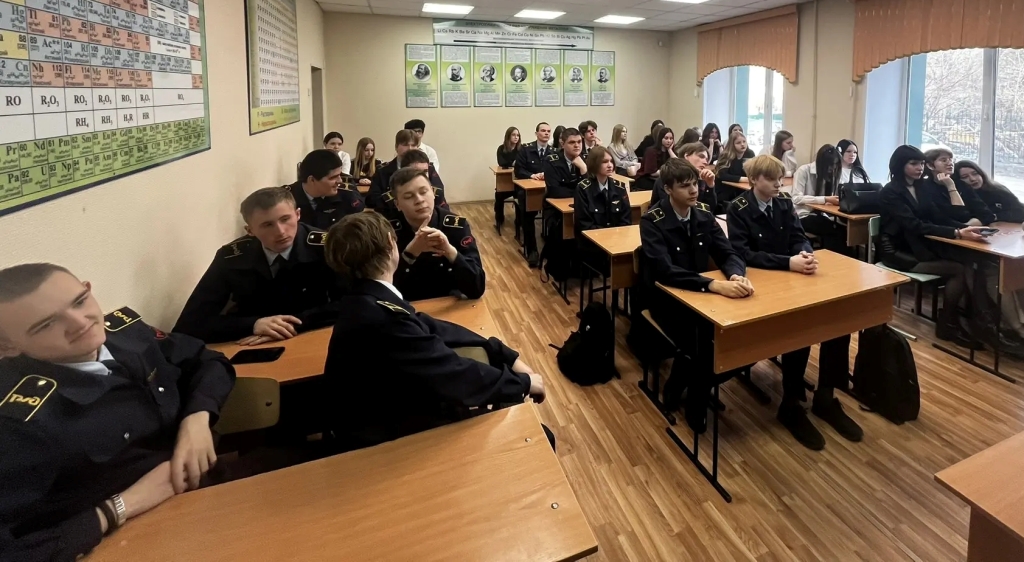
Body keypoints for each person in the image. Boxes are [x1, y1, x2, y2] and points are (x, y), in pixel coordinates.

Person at [0, 263, 235, 561]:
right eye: (46, 324)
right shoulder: (17, 421)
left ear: (87, 288)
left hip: (208, 493)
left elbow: (207, 361)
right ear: (7, 346)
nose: (80, 322)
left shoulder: (126, 334)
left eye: (79, 301)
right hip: (130, 541)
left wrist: (197, 419)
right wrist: (118, 507)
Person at [321, 212, 547, 450]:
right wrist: (522, 383)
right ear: (390, 242)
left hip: (383, 414)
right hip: (382, 439)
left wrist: (500, 352)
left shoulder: (365, 298)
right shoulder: (384, 318)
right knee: (538, 437)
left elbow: (428, 325)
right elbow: (454, 374)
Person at [726, 156, 862, 450]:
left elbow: (799, 236)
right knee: (800, 327)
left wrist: (804, 253)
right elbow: (743, 253)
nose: (779, 184)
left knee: (838, 323)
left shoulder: (784, 203)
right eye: (771, 179)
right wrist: (787, 262)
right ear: (754, 180)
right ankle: (790, 403)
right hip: (763, 282)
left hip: (793, 275)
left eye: (780, 178)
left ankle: (826, 396)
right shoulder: (738, 208)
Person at [639, 159, 753, 432]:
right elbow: (665, 271)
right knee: (702, 344)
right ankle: (693, 396)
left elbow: (727, 252)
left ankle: (689, 383)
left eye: (695, 184)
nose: (694, 190)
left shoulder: (702, 213)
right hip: (667, 299)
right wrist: (712, 285)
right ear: (668, 189)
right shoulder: (652, 220)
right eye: (684, 186)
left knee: (745, 340)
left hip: (703, 297)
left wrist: (735, 274)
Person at [173, 187, 342, 344]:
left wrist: (292, 324)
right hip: (253, 343)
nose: (281, 231)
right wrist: (252, 325)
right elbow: (190, 323)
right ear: (250, 230)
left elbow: (350, 302)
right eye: (268, 225)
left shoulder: (327, 247)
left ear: (298, 214)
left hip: (312, 335)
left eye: (285, 219)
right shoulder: (231, 257)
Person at [878, 145, 989, 347]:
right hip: (898, 251)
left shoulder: (921, 187)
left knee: (970, 261)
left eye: (921, 163)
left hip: (921, 245)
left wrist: (963, 228)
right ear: (900, 165)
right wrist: (956, 233)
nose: (919, 168)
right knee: (959, 269)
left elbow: (936, 217)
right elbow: (913, 224)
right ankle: (948, 323)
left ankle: (971, 320)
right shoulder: (890, 191)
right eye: (913, 163)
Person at [389, 167, 485, 301]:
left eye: (424, 192)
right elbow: (383, 288)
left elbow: (477, 287)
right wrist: (410, 253)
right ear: (397, 204)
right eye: (409, 197)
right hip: (407, 306)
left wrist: (450, 252)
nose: (419, 200)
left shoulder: (455, 226)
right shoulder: (388, 231)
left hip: (448, 303)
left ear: (433, 193)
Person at [791, 144, 849, 254]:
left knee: (843, 230)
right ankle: (832, 260)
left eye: (836, 165)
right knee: (834, 231)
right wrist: (825, 199)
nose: (833, 168)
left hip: (822, 215)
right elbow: (796, 198)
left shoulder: (832, 174)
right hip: (802, 215)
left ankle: (837, 260)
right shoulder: (804, 170)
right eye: (831, 165)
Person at [287, 149, 365, 231]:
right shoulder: (288, 199)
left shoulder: (346, 194)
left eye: (339, 175)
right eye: (333, 177)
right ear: (312, 180)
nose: (340, 181)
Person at [367, 130, 445, 212]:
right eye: (405, 145)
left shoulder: (427, 167)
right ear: (396, 147)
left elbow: (439, 193)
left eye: (413, 145)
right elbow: (371, 200)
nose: (410, 148)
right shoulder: (383, 170)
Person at [514, 122, 553, 266]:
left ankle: (551, 251)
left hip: (548, 190)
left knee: (556, 216)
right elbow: (518, 170)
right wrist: (532, 175)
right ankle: (532, 250)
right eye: (543, 131)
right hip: (528, 190)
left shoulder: (554, 152)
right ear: (536, 133)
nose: (546, 133)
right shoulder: (526, 149)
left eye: (548, 131)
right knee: (528, 215)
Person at [924, 148, 994, 227]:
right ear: (930, 165)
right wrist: (951, 187)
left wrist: (964, 227)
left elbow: (987, 215)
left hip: (967, 231)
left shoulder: (961, 184)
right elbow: (957, 216)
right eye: (944, 160)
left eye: (951, 159)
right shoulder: (925, 187)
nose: (950, 163)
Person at [575, 146, 631, 240]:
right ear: (594, 164)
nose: (610, 165)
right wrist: (606, 236)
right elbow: (584, 224)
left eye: (611, 161)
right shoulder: (583, 189)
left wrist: (615, 237)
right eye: (604, 162)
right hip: (592, 241)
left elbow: (626, 220)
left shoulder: (619, 187)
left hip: (617, 239)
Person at [543, 127, 587, 244]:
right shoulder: (552, 160)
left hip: (581, 206)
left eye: (579, 142)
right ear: (562, 144)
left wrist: (584, 169)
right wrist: (580, 193)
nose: (577, 145)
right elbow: (555, 191)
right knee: (560, 232)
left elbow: (591, 190)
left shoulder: (586, 159)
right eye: (572, 142)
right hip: (555, 208)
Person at [651, 142, 717, 212]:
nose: (705, 162)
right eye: (701, 156)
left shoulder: (702, 178)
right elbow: (674, 208)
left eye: (706, 159)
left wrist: (710, 185)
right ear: (686, 156)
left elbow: (709, 209)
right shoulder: (668, 176)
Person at [956, 160, 1024, 223]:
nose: (972, 179)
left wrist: (995, 217)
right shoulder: (958, 197)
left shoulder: (998, 191)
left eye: (975, 173)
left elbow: (1020, 212)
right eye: (965, 177)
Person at [494, 126, 521, 234]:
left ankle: (519, 221)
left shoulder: (521, 149)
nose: (516, 137)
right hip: (506, 183)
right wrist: (513, 163)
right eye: (513, 135)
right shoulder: (501, 149)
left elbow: (522, 163)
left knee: (521, 197)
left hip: (518, 183)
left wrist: (512, 164)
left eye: (518, 135)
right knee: (499, 195)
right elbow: (501, 162)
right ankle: (499, 219)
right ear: (508, 136)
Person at [714, 130, 750, 204]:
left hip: (741, 190)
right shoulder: (726, 155)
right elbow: (722, 175)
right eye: (738, 143)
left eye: (744, 141)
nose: (742, 144)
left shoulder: (750, 154)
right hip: (725, 191)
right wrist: (745, 179)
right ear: (732, 145)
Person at [636, 127, 675, 192]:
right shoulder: (651, 151)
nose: (669, 141)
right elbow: (653, 173)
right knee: (664, 188)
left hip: (661, 178)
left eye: (671, 139)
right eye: (666, 138)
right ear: (660, 138)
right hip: (646, 179)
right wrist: (669, 172)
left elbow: (678, 165)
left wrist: (670, 150)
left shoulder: (669, 152)